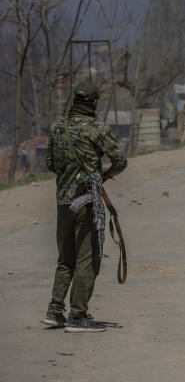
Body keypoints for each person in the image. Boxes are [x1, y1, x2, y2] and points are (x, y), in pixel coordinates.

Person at [43, 81, 127, 332]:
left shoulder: (57, 128)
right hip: (87, 202)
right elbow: (120, 161)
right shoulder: (97, 128)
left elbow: (50, 163)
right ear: (94, 103)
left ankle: (55, 311)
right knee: (87, 259)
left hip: (63, 202)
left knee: (65, 258)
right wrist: (101, 176)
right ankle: (78, 316)